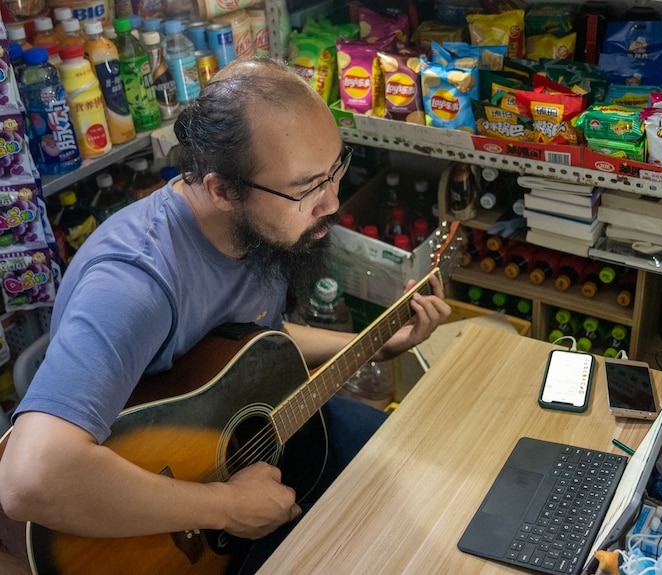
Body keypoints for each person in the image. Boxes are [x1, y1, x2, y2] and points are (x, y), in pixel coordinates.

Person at [0, 57, 451, 570]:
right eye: (307, 188)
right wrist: (229, 507)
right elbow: (30, 478)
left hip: (236, 445)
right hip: (151, 527)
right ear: (221, 190)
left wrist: (374, 342)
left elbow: (255, 347)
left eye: (335, 170)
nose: (332, 202)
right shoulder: (133, 284)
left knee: (413, 473)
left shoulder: (261, 228)